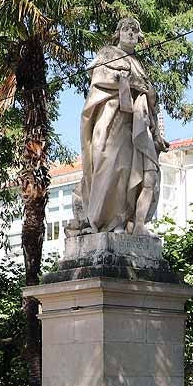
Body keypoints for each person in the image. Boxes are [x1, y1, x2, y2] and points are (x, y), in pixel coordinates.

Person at [75, 15, 168, 236]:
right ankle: (105, 221)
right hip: (111, 120)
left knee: (129, 171)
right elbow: (99, 77)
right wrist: (126, 80)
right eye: (127, 29)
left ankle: (125, 221)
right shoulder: (108, 54)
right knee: (110, 166)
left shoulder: (138, 64)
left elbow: (150, 98)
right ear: (118, 32)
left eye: (135, 31)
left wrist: (156, 131)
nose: (131, 34)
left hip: (134, 125)